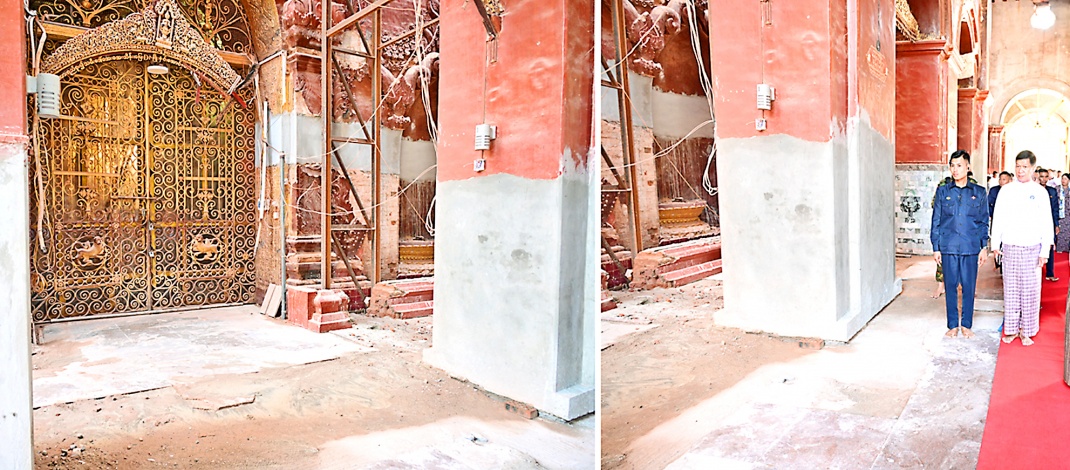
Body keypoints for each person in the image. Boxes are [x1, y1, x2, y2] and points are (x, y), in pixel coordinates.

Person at [991, 150, 1054, 346]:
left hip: (1032, 248)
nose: (1020, 171)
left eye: (1025, 167)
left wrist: (1045, 252)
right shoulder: (1006, 190)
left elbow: (1047, 223)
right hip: (1010, 246)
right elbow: (998, 218)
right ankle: (1010, 329)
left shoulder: (1040, 192)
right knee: (1010, 289)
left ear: (1033, 168)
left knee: (1030, 291)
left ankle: (1027, 331)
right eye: (1018, 166)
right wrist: (995, 244)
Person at [931, 150, 989, 338]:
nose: (955, 170)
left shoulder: (979, 193)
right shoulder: (943, 191)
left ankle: (966, 324)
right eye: (952, 166)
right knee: (950, 286)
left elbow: (983, 221)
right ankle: (952, 325)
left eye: (959, 165)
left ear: (968, 167)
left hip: (971, 246)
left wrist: (983, 247)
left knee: (969, 286)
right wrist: (936, 247)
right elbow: (936, 220)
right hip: (948, 246)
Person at [932, 170, 980, 298]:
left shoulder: (974, 186)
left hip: (967, 235)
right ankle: (941, 285)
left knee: (968, 268)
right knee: (943, 263)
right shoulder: (944, 185)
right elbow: (935, 206)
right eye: (954, 166)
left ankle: (968, 289)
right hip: (948, 230)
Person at [1038, 168, 1061, 281]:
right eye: (1041, 176)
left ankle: (1050, 273)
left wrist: (1056, 224)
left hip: (1049, 222)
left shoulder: (1052, 191)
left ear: (1048, 177)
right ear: (1038, 177)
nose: (1043, 179)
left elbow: (1055, 209)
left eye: (1045, 176)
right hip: (1035, 223)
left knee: (1050, 245)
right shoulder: (1034, 189)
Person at [1058, 173, 1070, 252]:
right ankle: (1060, 248)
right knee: (1060, 231)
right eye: (1062, 178)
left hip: (1068, 214)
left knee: (1068, 231)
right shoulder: (1057, 189)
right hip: (1060, 213)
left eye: (1065, 179)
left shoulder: (1069, 190)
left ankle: (1067, 248)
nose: (1063, 180)